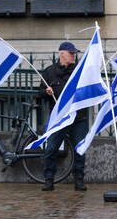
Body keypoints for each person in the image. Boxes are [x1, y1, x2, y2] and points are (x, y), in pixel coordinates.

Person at [38, 41, 88, 191]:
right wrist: (46, 92)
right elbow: (39, 94)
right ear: (62, 54)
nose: (73, 56)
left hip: (78, 118)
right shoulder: (49, 72)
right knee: (50, 149)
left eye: (74, 54)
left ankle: (79, 181)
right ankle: (49, 180)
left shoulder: (80, 71)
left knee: (80, 150)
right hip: (59, 118)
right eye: (71, 53)